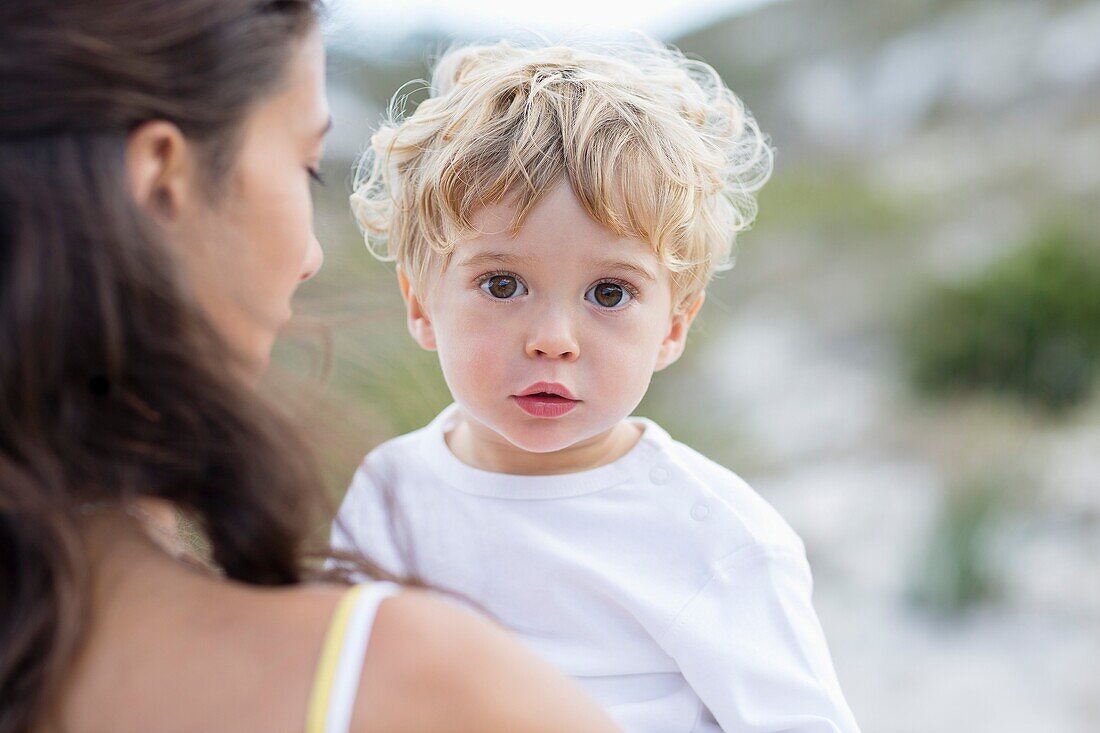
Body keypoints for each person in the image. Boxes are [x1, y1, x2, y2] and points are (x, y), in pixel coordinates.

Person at [0, 3, 622, 733]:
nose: (311, 257)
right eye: (307, 167)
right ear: (162, 179)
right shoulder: (416, 685)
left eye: (609, 293)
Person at [337, 39, 861, 733]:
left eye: (608, 292)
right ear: (420, 302)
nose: (554, 336)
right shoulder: (387, 494)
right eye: (502, 284)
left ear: (674, 325)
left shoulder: (715, 538)